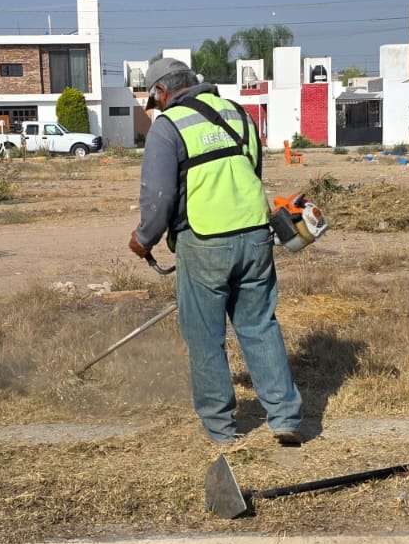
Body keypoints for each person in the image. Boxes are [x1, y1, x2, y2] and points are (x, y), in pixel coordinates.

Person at [129, 59, 303, 447]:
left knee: (206, 337)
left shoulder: (168, 127)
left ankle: (221, 429)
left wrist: (144, 239)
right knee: (259, 327)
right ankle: (286, 417)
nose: (155, 108)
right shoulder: (240, 115)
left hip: (205, 242)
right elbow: (252, 172)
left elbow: (159, 198)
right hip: (256, 236)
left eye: (153, 101)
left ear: (160, 92)